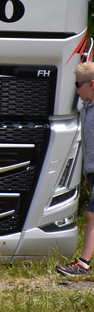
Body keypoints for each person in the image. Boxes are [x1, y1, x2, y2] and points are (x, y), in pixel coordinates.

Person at [56, 61, 94, 277]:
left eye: (78, 84)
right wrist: (87, 173)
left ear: (92, 84)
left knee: (91, 215)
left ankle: (83, 264)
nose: (75, 89)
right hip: (92, 171)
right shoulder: (85, 109)